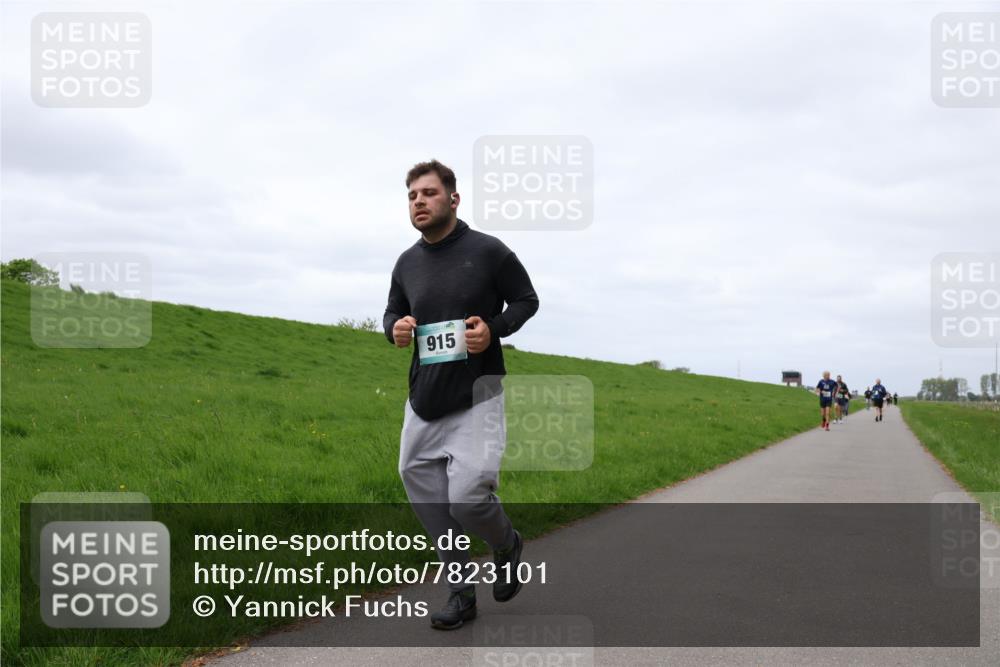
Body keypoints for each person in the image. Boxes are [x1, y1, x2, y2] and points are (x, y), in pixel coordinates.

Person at [384, 159, 539, 630]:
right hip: (424, 399)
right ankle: (460, 591)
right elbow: (391, 312)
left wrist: (492, 330)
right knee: (426, 494)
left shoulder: (489, 251)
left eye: (428, 193)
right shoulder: (407, 262)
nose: (418, 202)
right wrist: (397, 328)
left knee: (469, 497)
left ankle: (507, 542)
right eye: (412, 196)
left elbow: (527, 300)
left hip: (478, 395)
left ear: (453, 199)